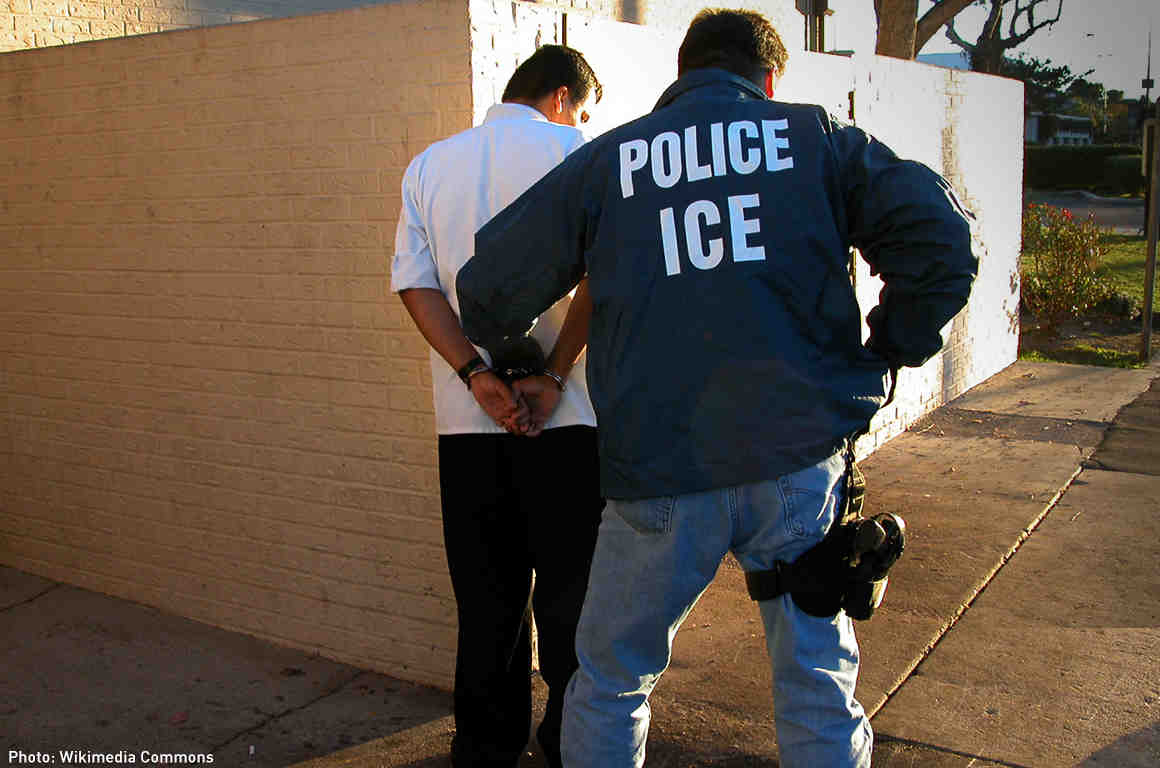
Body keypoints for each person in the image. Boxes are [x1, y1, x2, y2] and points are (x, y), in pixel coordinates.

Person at [456, 9, 977, 768]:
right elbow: (942, 245)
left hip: (659, 477)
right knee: (818, 684)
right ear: (767, 80)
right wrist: (883, 352)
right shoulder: (818, 140)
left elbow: (487, 292)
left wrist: (518, 362)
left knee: (610, 681)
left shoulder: (614, 159)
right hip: (799, 468)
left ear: (683, 75)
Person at [390, 44, 605, 768]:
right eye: (580, 107)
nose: (578, 119)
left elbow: (415, 287)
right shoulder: (584, 153)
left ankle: (485, 749)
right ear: (560, 97)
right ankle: (574, 746)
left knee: (488, 605)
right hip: (568, 421)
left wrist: (475, 376)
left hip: (469, 427)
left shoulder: (430, 165)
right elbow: (603, 281)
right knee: (573, 603)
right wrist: (553, 371)